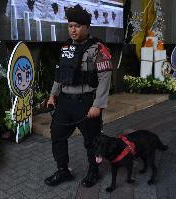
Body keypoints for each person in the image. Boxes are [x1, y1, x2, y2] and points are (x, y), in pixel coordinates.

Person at [44, 4, 113, 188]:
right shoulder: (66, 47)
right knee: (57, 135)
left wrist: (98, 105)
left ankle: (93, 171)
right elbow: (60, 75)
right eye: (70, 26)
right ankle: (63, 170)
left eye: (77, 26)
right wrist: (52, 95)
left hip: (86, 103)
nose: (73, 29)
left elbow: (105, 78)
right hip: (65, 102)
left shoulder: (98, 48)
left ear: (87, 27)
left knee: (92, 141)